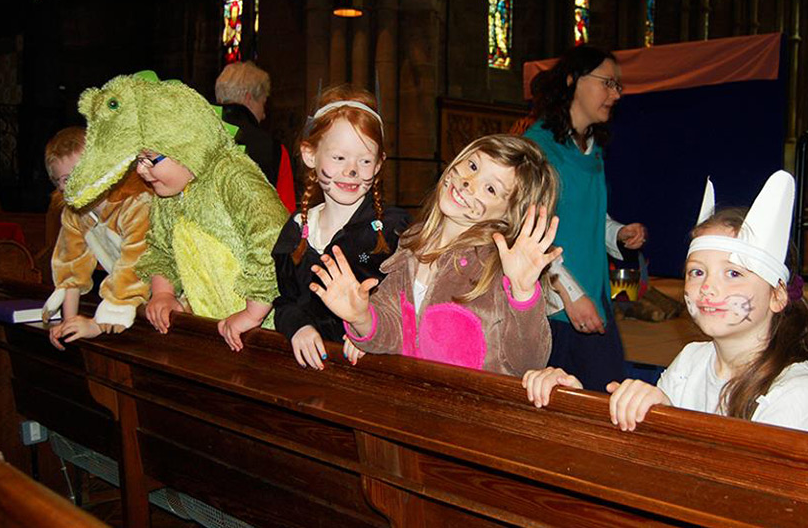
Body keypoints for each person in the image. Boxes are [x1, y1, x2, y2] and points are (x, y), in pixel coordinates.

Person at [523, 171, 808, 436]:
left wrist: (670, 418)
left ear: (777, 295)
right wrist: (573, 399)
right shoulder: (692, 361)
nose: (708, 287)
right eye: (697, 272)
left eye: (733, 273)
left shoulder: (797, 392)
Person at [62, 70, 289, 351]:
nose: (142, 171)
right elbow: (160, 249)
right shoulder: (167, 193)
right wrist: (163, 293)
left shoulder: (231, 175)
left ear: (183, 143)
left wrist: (253, 312)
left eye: (150, 159)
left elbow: (271, 236)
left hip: (268, 332)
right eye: (138, 161)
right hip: (212, 326)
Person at [310, 135, 559, 377]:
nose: (468, 183)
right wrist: (361, 317)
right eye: (472, 166)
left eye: (491, 188)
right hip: (410, 404)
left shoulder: (495, 268)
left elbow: (529, 363)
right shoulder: (411, 244)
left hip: (472, 414)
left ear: (509, 216)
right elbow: (392, 332)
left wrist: (523, 292)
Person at [520, 45, 647, 391]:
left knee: (607, 397)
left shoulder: (592, 148)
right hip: (558, 308)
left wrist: (617, 233)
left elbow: (583, 215)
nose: (615, 94)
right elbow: (526, 232)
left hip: (594, 296)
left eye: (618, 87)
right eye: (608, 83)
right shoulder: (538, 148)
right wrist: (570, 294)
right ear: (573, 80)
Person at [273, 85, 409, 370]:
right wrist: (299, 327)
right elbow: (285, 301)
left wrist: (367, 328)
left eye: (365, 160)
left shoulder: (389, 231)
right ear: (310, 155)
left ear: (379, 163)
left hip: (370, 372)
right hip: (308, 370)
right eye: (339, 158)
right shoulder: (297, 230)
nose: (352, 171)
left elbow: (404, 301)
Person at [41, 126, 153, 350]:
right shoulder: (75, 213)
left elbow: (137, 265)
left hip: (170, 292)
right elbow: (71, 267)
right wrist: (68, 324)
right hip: (136, 300)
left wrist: (96, 325)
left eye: (81, 172)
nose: (75, 184)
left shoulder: (135, 202)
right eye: (64, 180)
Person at [215, 61, 282, 186]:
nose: (264, 115)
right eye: (263, 103)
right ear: (248, 98)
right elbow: (284, 203)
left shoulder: (195, 134)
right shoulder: (272, 148)